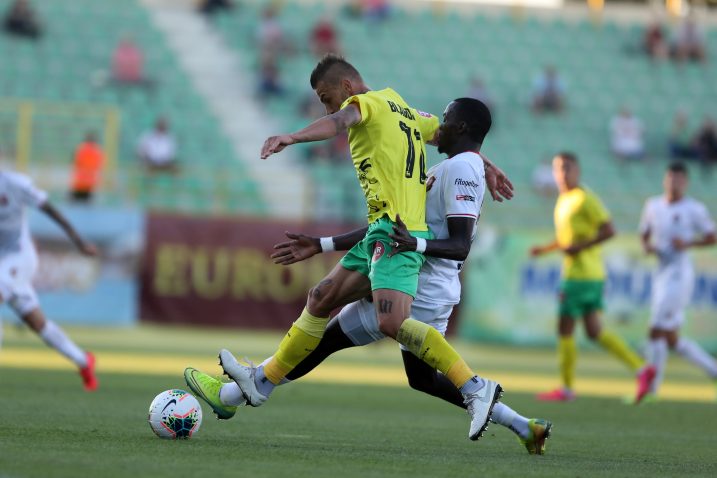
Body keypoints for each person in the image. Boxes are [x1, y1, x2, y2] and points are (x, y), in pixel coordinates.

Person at [185, 98, 552, 453]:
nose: (439, 125)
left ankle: (475, 386)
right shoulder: (452, 167)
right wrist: (323, 243)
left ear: (462, 127)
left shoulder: (461, 169)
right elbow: (389, 230)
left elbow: (458, 245)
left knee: (341, 326)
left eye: (446, 117)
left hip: (423, 284)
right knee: (404, 371)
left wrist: (415, 246)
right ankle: (523, 426)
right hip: (416, 274)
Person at [530, 152, 656, 402]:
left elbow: (609, 230)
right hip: (588, 275)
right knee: (594, 331)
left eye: (567, 168)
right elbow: (569, 240)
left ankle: (566, 388)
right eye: (558, 168)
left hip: (580, 276)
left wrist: (580, 248)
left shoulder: (584, 199)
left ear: (577, 170)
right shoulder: (563, 200)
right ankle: (642, 368)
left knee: (564, 328)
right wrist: (545, 249)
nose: (562, 173)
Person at [0, 170, 98, 390]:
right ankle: (83, 360)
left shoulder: (15, 183)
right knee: (36, 322)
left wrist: (79, 242)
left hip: (19, 255)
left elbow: (50, 210)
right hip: (2, 263)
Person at [639, 162, 717, 401]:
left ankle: (652, 389)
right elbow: (644, 232)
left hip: (680, 274)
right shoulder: (653, 205)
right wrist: (647, 247)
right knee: (671, 338)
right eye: (671, 178)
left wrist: (688, 244)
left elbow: (712, 237)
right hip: (661, 274)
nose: (674, 183)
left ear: (686, 182)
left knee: (655, 330)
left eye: (679, 179)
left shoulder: (693, 209)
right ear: (665, 180)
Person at [70, 132, 104, 202]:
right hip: (90, 183)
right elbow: (99, 166)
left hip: (79, 182)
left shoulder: (81, 149)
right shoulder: (98, 151)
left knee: (74, 205)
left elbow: (76, 162)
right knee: (87, 206)